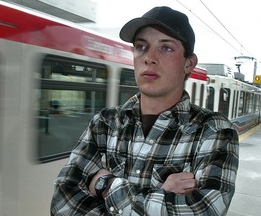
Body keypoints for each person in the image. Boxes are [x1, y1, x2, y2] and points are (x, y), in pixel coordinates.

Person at [50, 6, 239, 215]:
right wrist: (160, 195)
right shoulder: (104, 123)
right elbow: (62, 205)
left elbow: (205, 210)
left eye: (166, 48)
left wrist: (105, 184)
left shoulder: (213, 131)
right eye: (141, 46)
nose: (149, 58)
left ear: (188, 63)